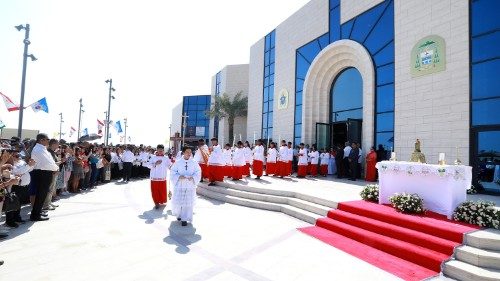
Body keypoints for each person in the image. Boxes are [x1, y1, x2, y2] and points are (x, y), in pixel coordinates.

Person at [30, 133, 59, 221]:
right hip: (42, 173)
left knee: (42, 195)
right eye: (47, 139)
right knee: (41, 194)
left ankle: (37, 212)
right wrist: (56, 168)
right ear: (41, 140)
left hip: (45, 173)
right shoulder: (38, 149)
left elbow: (51, 161)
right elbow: (48, 163)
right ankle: (35, 215)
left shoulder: (43, 149)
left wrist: (55, 167)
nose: (48, 141)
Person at [170, 146, 201, 226]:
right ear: (183, 152)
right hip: (180, 185)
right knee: (180, 201)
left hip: (190, 185)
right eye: (187, 152)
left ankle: (185, 218)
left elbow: (198, 172)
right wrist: (178, 176)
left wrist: (193, 177)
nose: (189, 154)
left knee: (187, 202)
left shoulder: (194, 162)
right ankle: (179, 215)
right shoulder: (178, 162)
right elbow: (173, 171)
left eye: (190, 152)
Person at [145, 144, 172, 209]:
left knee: (162, 190)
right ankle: (156, 202)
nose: (160, 152)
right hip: (154, 177)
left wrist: (172, 167)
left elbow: (169, 165)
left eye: (162, 150)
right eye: (159, 150)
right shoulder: (153, 157)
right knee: (155, 191)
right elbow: (148, 165)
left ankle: (162, 200)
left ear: (163, 150)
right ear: (157, 150)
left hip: (162, 177)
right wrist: (155, 164)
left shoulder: (166, 158)